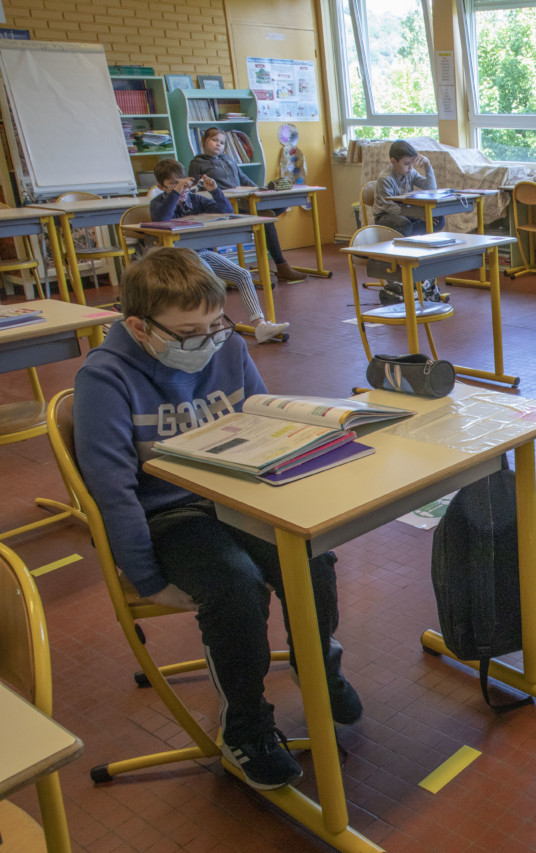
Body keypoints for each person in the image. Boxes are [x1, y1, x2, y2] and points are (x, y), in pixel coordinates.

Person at [74, 248, 362, 790]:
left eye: (214, 325)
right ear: (139, 327)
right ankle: (246, 727)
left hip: (235, 497)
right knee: (236, 586)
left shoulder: (226, 345)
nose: (207, 342)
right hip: (168, 515)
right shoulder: (105, 379)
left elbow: (265, 427)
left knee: (312, 557)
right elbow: (113, 493)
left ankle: (318, 667)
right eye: (188, 333)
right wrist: (148, 579)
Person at [150, 159, 290, 344]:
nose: (181, 188)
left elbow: (226, 211)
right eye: (173, 185)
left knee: (242, 275)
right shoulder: (157, 203)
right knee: (208, 279)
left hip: (201, 253)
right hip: (179, 259)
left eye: (182, 183)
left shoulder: (195, 199)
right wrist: (175, 194)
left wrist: (215, 191)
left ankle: (260, 325)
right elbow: (161, 219)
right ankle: (211, 329)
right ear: (161, 187)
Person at [187, 128, 308, 284]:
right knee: (266, 219)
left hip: (243, 200)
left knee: (280, 206)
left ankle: (265, 229)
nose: (218, 144)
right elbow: (194, 188)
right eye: (214, 140)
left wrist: (260, 190)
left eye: (222, 142)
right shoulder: (197, 163)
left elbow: (243, 178)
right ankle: (282, 266)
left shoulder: (228, 159)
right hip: (225, 206)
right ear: (204, 142)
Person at [370, 139, 444, 237]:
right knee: (404, 224)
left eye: (412, 163)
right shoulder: (385, 179)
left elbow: (431, 188)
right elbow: (390, 207)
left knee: (439, 220)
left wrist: (427, 165)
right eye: (406, 163)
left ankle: (409, 234)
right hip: (385, 215)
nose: (410, 167)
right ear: (393, 161)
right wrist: (417, 216)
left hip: (405, 212)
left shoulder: (410, 173)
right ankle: (410, 235)